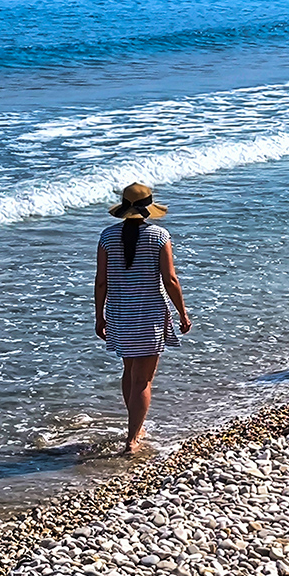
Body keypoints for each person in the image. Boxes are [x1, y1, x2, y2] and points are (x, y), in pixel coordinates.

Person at [94, 183, 192, 454]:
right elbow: (170, 280)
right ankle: (132, 439)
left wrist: (99, 316)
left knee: (130, 371)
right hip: (149, 315)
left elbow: (101, 281)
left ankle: (135, 427)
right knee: (143, 380)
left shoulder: (107, 237)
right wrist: (183, 313)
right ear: (148, 208)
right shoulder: (159, 236)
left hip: (119, 313)